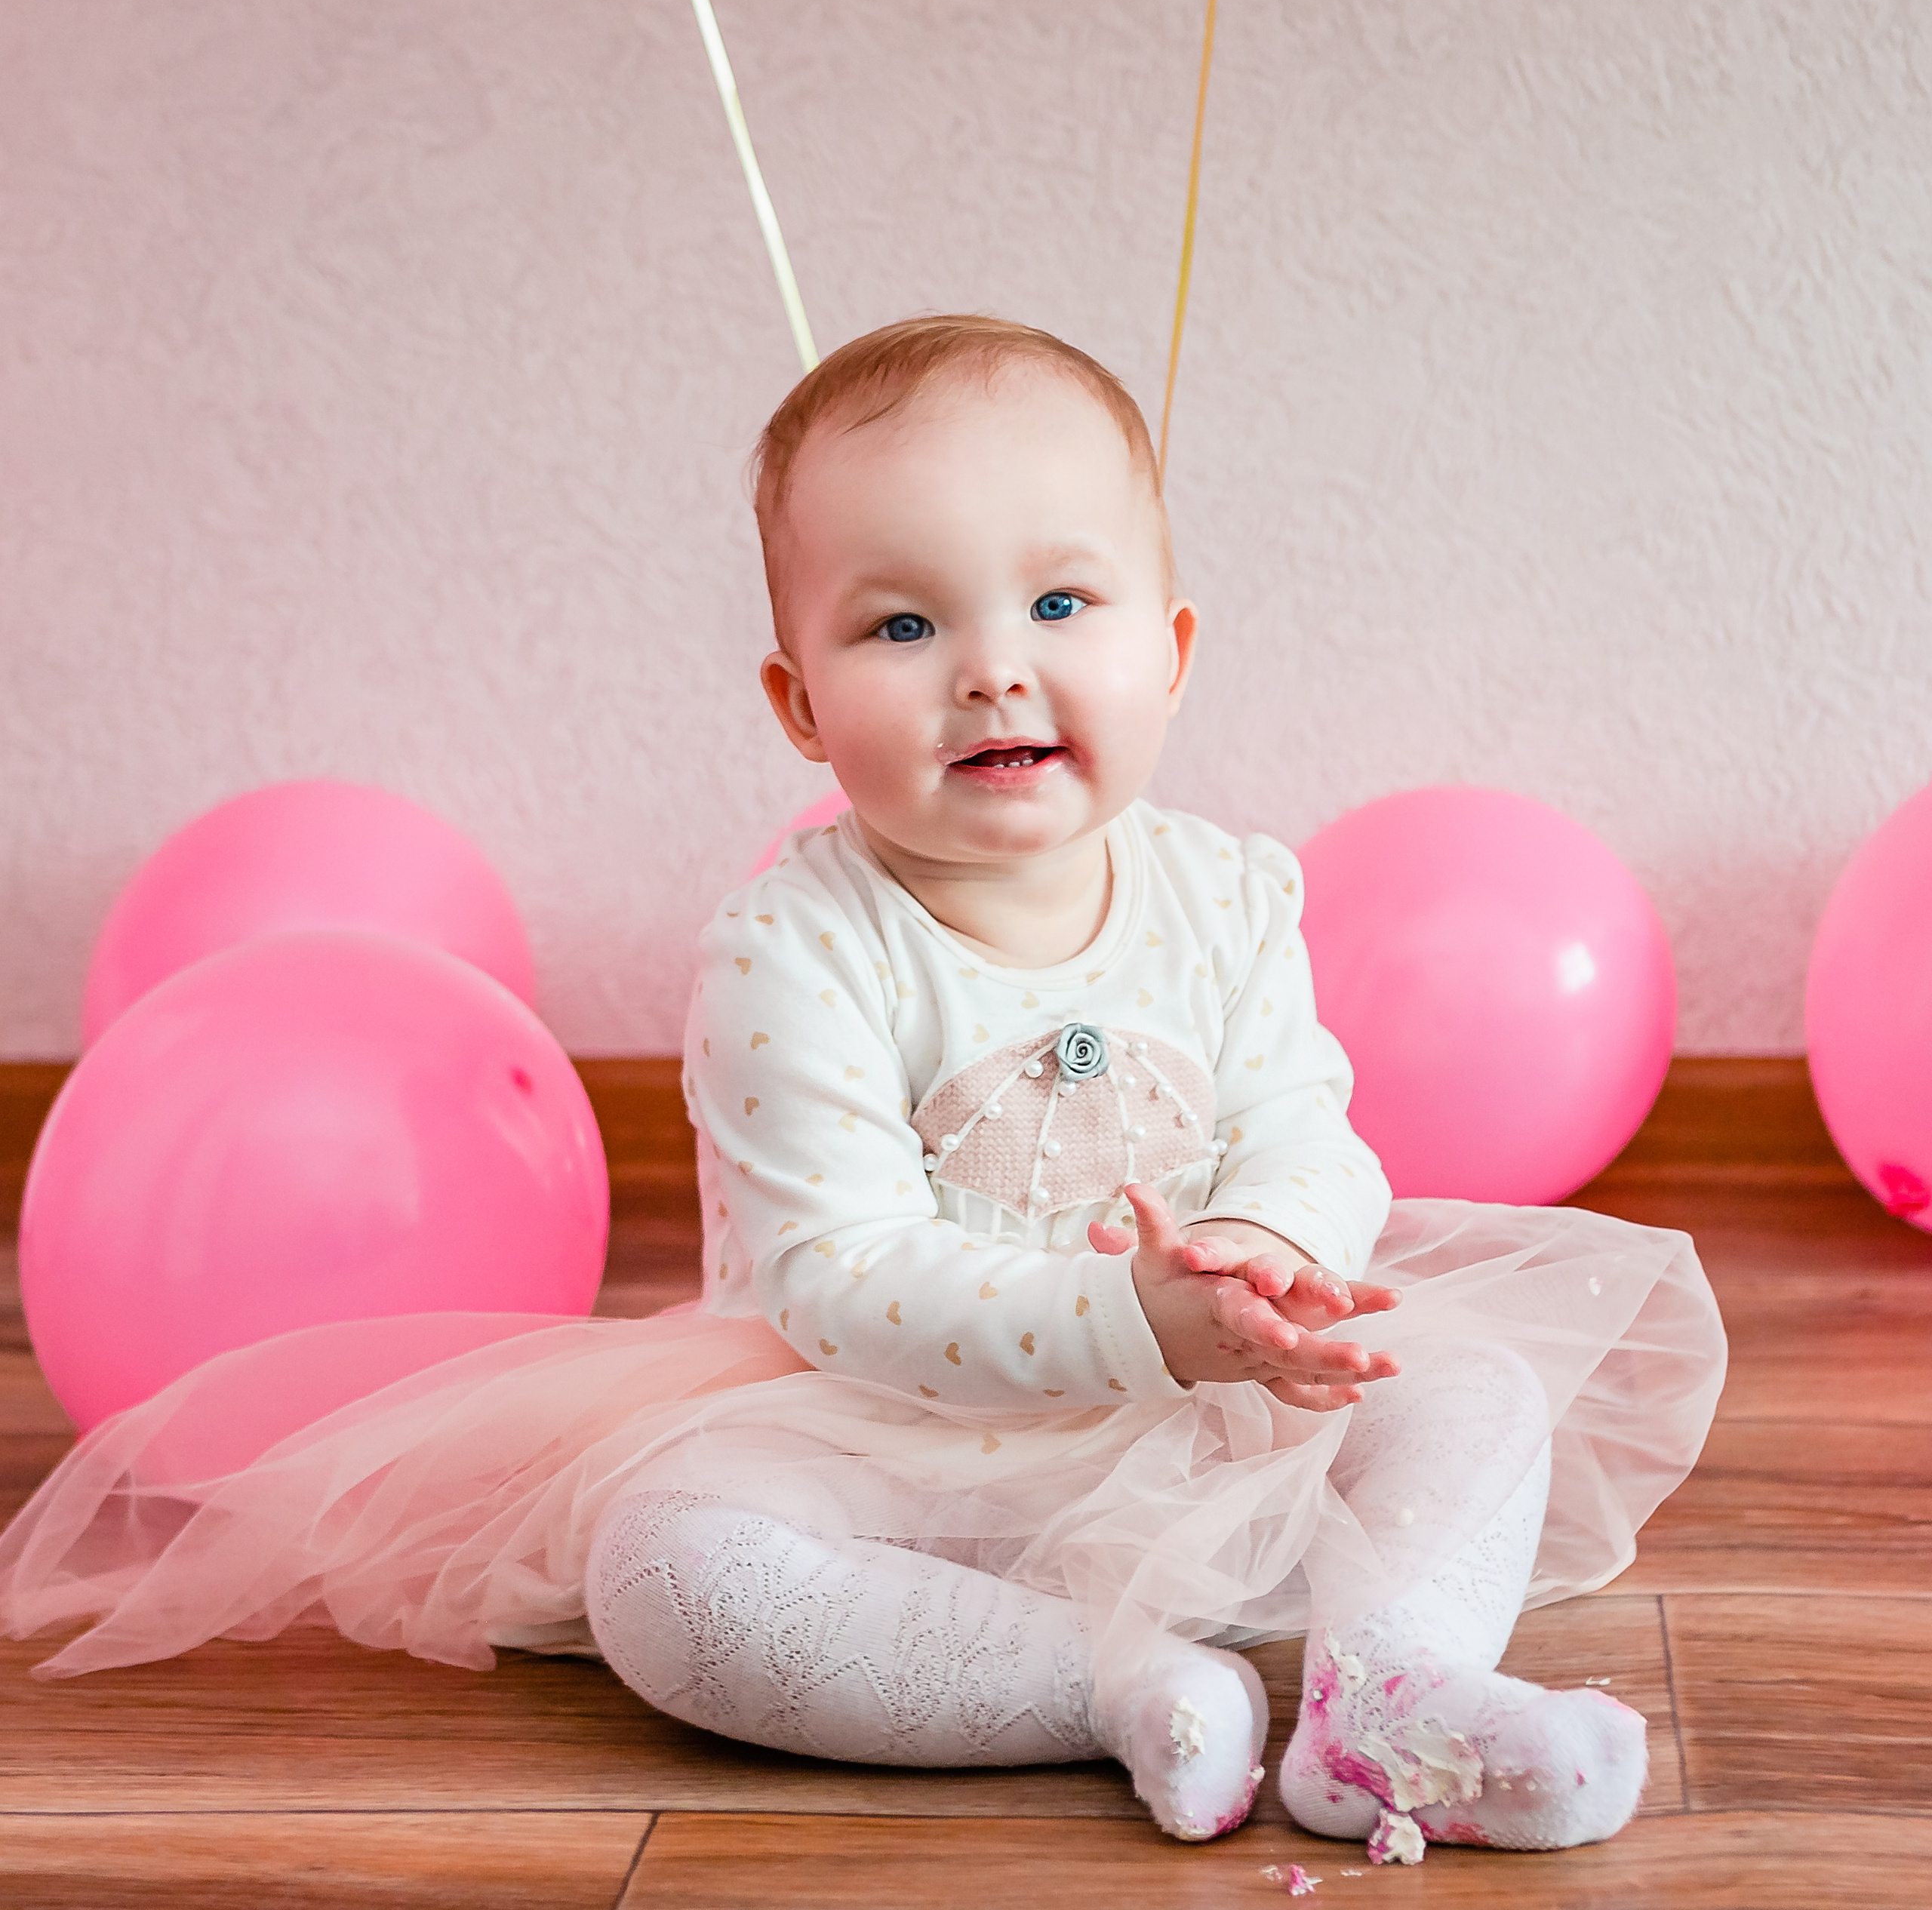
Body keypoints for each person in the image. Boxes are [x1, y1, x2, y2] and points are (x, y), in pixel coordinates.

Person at [0, 317, 1725, 1865]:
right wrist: (1130, 1322)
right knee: (670, 1574)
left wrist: (1269, 1254)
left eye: (1059, 603)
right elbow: (841, 1274)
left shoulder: (1225, 891)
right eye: (902, 622)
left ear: (1173, 647)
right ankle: (1103, 1676)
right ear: (799, 701)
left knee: (1472, 1388)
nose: (990, 665)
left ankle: (1385, 1693)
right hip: (876, 1427)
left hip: (1197, 1394)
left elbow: (1299, 1120)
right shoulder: (789, 946)